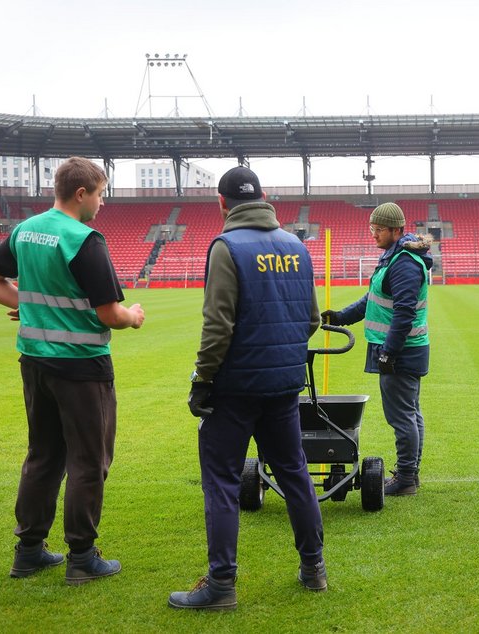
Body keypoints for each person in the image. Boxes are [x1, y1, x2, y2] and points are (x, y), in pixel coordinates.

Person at [0, 156, 145, 585]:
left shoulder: (25, 231)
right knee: (89, 461)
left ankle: (28, 551)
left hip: (34, 363)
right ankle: (82, 557)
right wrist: (134, 316)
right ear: (81, 193)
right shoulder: (85, 240)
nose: (102, 204)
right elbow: (109, 314)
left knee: (44, 456)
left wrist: (27, 306)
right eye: (100, 194)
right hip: (82, 369)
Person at [168, 166, 325, 611]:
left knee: (220, 480)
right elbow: (310, 320)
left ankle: (221, 584)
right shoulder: (296, 245)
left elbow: (217, 325)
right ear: (265, 196)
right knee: (294, 474)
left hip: (235, 388)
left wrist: (202, 380)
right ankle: (314, 569)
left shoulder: (226, 246)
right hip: (283, 385)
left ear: (221, 202)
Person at [321, 202, 432, 496]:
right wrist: (340, 317)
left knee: (401, 416)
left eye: (379, 229)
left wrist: (389, 352)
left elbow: (404, 313)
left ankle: (407, 477)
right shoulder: (392, 258)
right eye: (372, 228)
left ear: (397, 230)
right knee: (410, 412)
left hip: (402, 352)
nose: (374, 234)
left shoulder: (404, 263)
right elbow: (372, 299)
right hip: (403, 349)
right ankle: (411, 474)